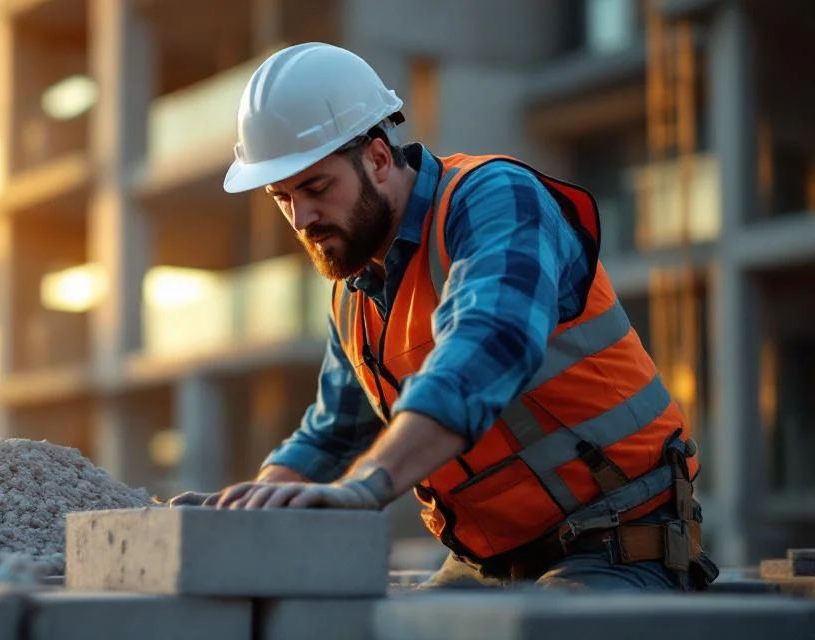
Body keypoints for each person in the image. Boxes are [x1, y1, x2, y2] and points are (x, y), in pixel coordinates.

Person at [168, 42, 719, 592]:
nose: (301, 217)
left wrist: (365, 488)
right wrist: (252, 505)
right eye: (281, 196)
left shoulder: (495, 199)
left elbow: (486, 348)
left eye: (315, 188)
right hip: (484, 565)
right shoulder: (355, 291)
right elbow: (332, 433)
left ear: (379, 159)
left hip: (617, 543)